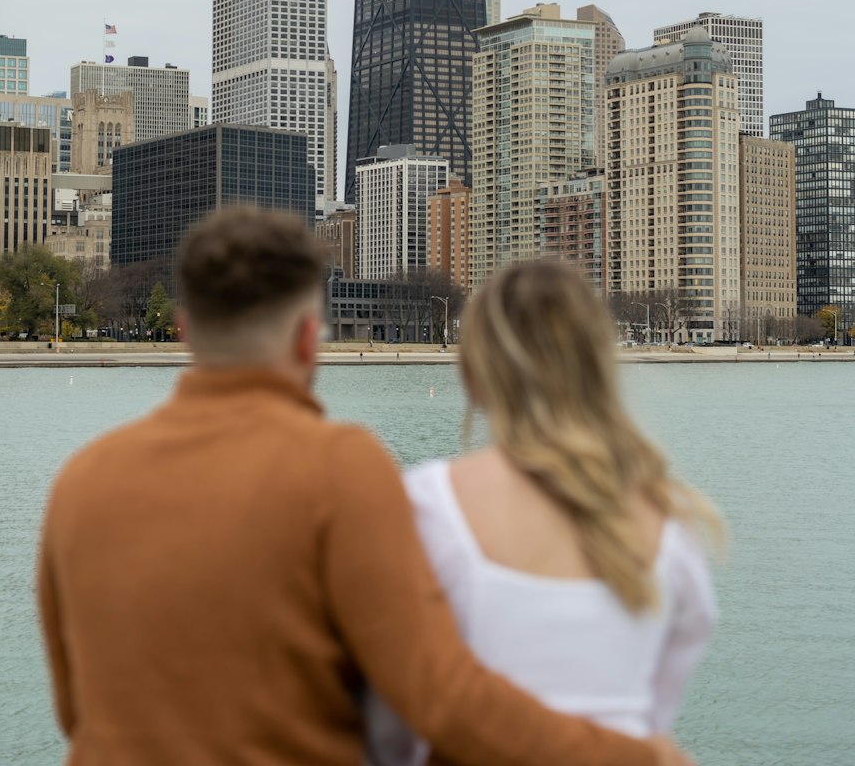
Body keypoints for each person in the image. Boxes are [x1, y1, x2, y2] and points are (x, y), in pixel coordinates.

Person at [37, 208, 695, 766]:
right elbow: (438, 696)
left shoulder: (80, 481)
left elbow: (75, 709)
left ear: (183, 331)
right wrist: (635, 755)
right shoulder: (339, 467)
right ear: (307, 340)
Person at [365, 260, 720, 766]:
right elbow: (654, 717)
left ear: (474, 376)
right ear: (599, 369)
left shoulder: (425, 506)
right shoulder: (672, 526)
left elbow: (391, 720)